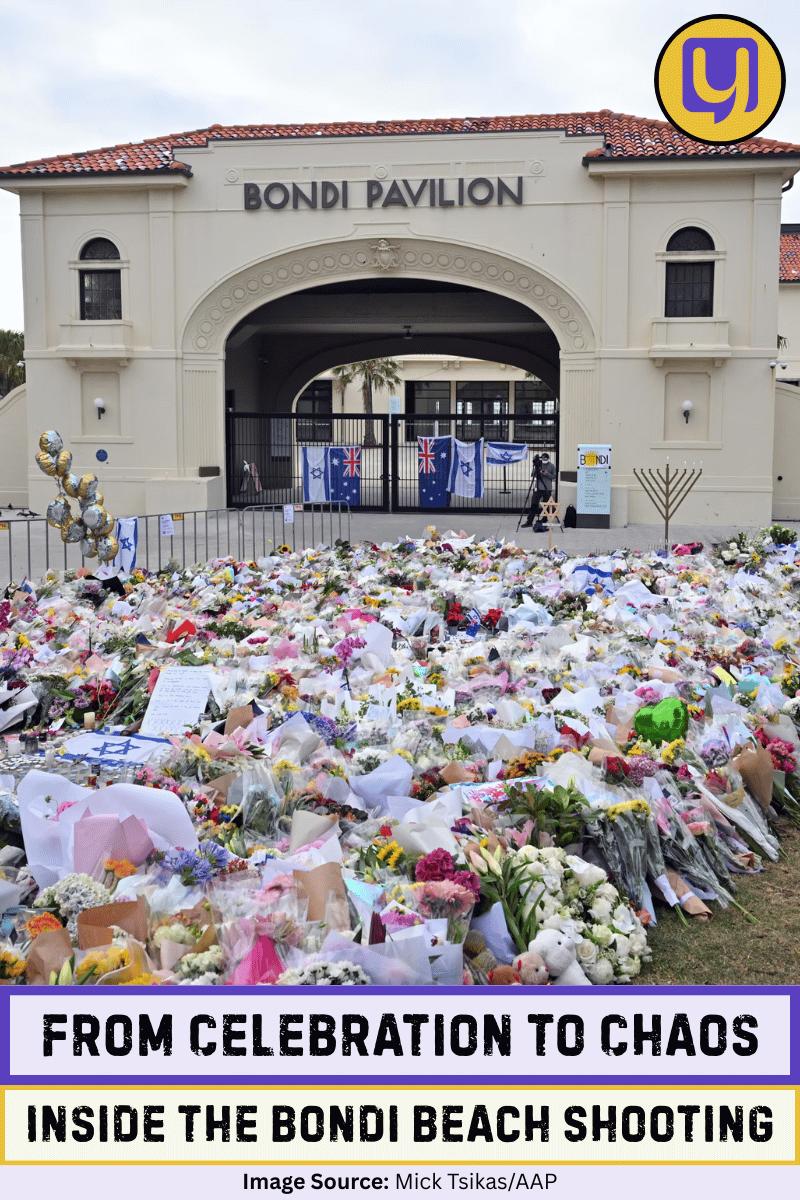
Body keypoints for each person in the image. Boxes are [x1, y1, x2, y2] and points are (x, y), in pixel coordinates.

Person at [522, 452, 556, 530]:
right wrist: (536, 469)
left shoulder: (552, 466)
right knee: (534, 504)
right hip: (538, 488)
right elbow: (532, 475)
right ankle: (529, 521)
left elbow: (554, 477)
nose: (544, 460)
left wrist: (547, 473)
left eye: (546, 459)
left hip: (547, 488)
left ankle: (544, 520)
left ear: (548, 459)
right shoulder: (538, 464)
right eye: (543, 458)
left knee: (547, 506)